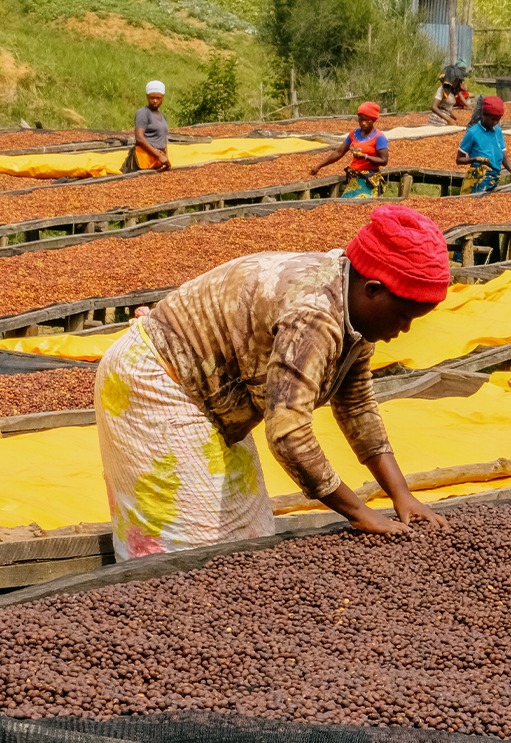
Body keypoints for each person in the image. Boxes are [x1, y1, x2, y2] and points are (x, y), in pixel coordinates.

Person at [94, 204, 452, 557]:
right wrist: (360, 513)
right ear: (372, 289)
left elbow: (356, 403)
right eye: (403, 316)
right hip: (157, 380)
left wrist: (401, 494)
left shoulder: (348, 301)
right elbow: (288, 435)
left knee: (247, 537)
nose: (403, 330)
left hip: (214, 398)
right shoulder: (314, 316)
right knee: (189, 547)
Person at [310, 101, 389, 198]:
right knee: (346, 204)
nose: (363, 123)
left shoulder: (379, 137)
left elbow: (384, 160)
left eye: (367, 120)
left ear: (373, 120)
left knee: (362, 207)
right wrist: (320, 166)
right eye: (360, 120)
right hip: (354, 179)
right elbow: (339, 152)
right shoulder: (354, 134)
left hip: (369, 180)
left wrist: (365, 156)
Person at [456, 96, 511, 194]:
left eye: (498, 119)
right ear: (484, 114)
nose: (496, 122)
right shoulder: (472, 133)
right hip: (477, 179)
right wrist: (475, 159)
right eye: (493, 119)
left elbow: (504, 157)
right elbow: (459, 159)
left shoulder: (498, 131)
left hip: (494, 177)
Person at [122, 80, 170, 173]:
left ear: (163, 97)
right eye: (152, 98)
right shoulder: (143, 112)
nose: (155, 101)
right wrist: (159, 155)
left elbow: (163, 139)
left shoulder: (162, 116)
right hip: (145, 158)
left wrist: (166, 158)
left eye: (158, 98)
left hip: (158, 160)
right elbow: (139, 137)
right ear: (147, 97)